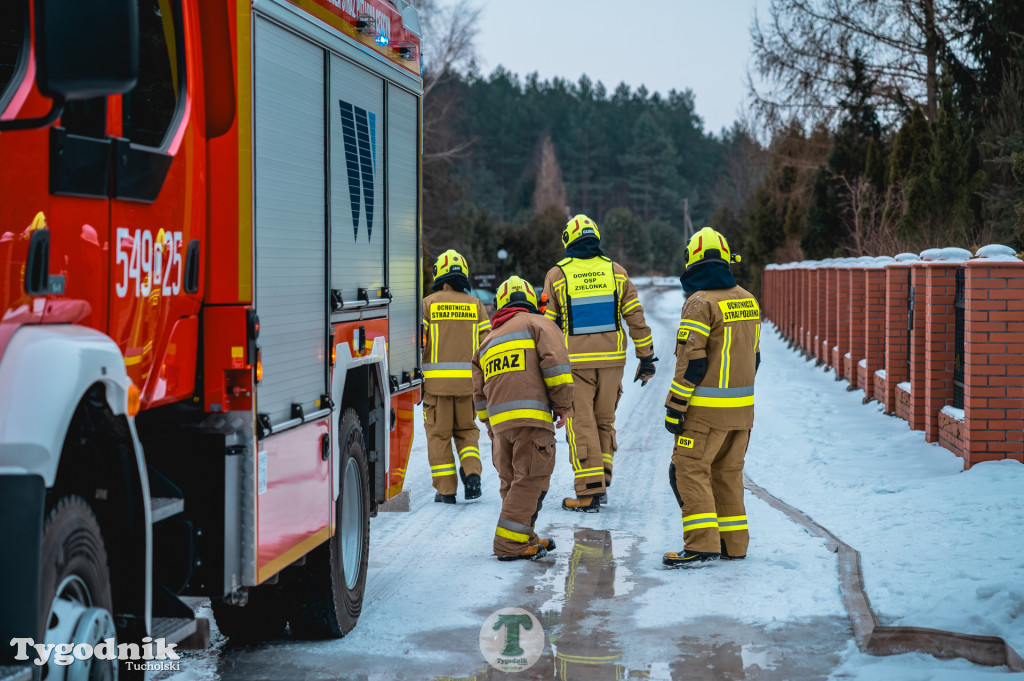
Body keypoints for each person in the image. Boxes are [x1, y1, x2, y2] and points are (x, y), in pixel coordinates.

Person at [542, 214, 656, 512]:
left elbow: (548, 327)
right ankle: (602, 477)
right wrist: (645, 357)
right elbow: (635, 317)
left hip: (574, 363)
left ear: (568, 240)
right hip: (612, 361)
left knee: (581, 424)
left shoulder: (557, 275)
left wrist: (543, 366)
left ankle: (589, 492)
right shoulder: (616, 272)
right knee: (604, 421)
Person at [662, 227, 760, 567]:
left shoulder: (699, 303)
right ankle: (734, 545)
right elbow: (755, 358)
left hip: (704, 414)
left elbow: (692, 364)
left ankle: (702, 545)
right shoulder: (748, 299)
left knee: (688, 470)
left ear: (692, 263)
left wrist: (675, 408)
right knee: (727, 474)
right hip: (742, 414)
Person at [471, 276, 574, 561]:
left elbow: (478, 395)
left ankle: (524, 535)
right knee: (531, 477)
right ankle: (509, 545)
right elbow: (556, 367)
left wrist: (491, 426)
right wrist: (562, 405)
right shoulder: (539, 324)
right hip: (531, 419)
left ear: (499, 304)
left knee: (512, 481)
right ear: (530, 301)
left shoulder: (487, 341)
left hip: (500, 426)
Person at [421, 249, 492, 503]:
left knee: (439, 437)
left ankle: (446, 491)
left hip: (436, 389)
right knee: (467, 433)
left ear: (439, 274)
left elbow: (418, 343)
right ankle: (472, 473)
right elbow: (487, 346)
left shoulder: (428, 304)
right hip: (468, 388)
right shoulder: (477, 306)